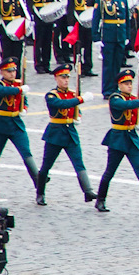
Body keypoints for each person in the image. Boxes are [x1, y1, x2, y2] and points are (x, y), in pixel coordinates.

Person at [94, 71, 139, 213]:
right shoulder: (115, 98)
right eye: (126, 84)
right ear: (119, 85)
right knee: (110, 171)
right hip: (118, 138)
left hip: (131, 137)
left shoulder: (132, 98)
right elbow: (126, 106)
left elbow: (135, 113)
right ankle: (100, 200)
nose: (129, 86)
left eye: (130, 83)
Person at [36, 65, 94, 204]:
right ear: (56, 78)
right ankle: (40, 193)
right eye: (63, 77)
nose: (66, 80)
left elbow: (75, 108)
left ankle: (88, 191)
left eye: (67, 77)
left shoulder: (73, 93)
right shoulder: (51, 95)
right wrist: (81, 99)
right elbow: (62, 104)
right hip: (55, 133)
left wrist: (78, 115)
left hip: (70, 132)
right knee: (46, 165)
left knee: (78, 163)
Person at [0, 59, 39, 198]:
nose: (12, 74)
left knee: (26, 153)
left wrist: (24, 107)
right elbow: (2, 91)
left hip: (15, 124)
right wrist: (19, 89)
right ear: (2, 72)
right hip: (0, 124)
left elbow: (23, 99)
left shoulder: (18, 84)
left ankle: (39, 183)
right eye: (9, 71)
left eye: (14, 70)